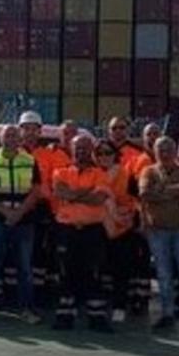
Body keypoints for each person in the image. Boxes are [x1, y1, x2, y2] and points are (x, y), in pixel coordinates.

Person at [0, 124, 43, 324]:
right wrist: (6, 212)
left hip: (24, 221)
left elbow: (35, 190)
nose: (11, 138)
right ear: (0, 139)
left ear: (20, 138)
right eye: (7, 135)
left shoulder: (30, 161)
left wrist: (19, 213)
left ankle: (26, 309)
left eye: (15, 135)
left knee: (25, 267)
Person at [139, 136, 179, 335]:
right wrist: (170, 191)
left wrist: (160, 191)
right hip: (158, 230)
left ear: (175, 151)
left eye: (168, 149)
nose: (165, 153)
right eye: (161, 149)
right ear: (155, 152)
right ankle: (167, 314)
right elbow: (144, 194)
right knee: (164, 275)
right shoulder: (148, 171)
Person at [50, 136, 113, 332]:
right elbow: (61, 193)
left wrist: (74, 195)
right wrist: (85, 193)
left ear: (91, 150)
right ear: (71, 149)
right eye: (77, 148)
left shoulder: (100, 174)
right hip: (66, 230)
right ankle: (65, 315)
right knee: (65, 272)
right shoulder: (60, 172)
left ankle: (97, 317)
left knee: (94, 272)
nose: (81, 151)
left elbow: (98, 199)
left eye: (85, 148)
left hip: (92, 231)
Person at [20, 113, 71, 307]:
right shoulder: (13, 152)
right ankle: (17, 293)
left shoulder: (50, 154)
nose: (30, 132)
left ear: (39, 131)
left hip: (42, 209)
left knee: (41, 252)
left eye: (34, 128)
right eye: (26, 128)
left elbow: (57, 183)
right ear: (21, 130)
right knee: (18, 252)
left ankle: (40, 294)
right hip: (17, 207)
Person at [100, 138, 148, 322]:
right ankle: (102, 305)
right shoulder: (93, 173)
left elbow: (138, 200)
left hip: (123, 228)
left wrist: (140, 222)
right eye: (100, 153)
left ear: (115, 155)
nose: (104, 156)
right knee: (102, 268)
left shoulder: (126, 175)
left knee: (122, 268)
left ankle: (120, 305)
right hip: (99, 227)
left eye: (108, 153)